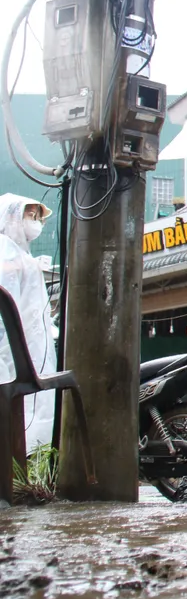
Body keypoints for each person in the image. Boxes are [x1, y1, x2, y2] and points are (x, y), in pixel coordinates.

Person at [0, 193, 56, 455]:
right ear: (11, 217)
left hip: (28, 349)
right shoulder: (5, 251)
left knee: (33, 410)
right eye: (29, 215)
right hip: (12, 353)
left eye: (36, 217)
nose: (35, 222)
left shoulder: (19, 253)